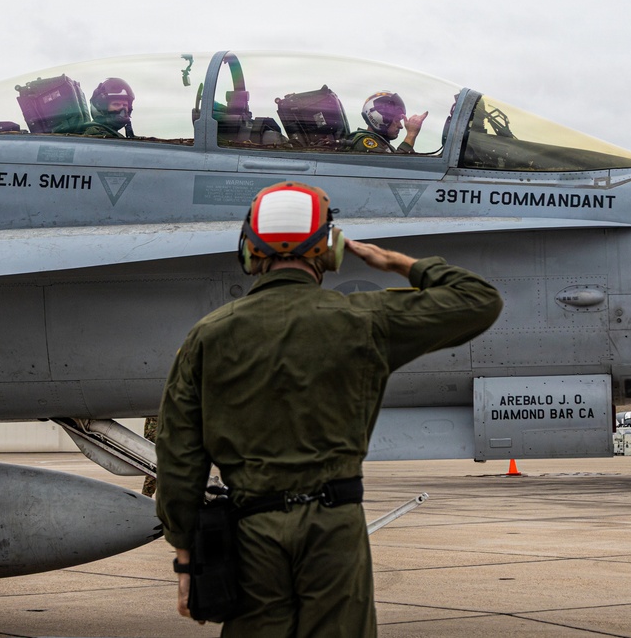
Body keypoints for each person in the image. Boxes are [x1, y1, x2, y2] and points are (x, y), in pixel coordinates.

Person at [155, 181, 502, 637]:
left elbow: (179, 454)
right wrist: (400, 262)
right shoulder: (365, 321)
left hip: (251, 531)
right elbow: (479, 300)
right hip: (335, 526)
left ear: (250, 252)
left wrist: (186, 557)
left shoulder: (208, 335)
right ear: (330, 250)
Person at [349, 91, 428, 153]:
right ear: (379, 118)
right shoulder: (365, 142)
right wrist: (411, 135)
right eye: (397, 120)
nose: (401, 126)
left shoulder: (385, 146)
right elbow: (394, 168)